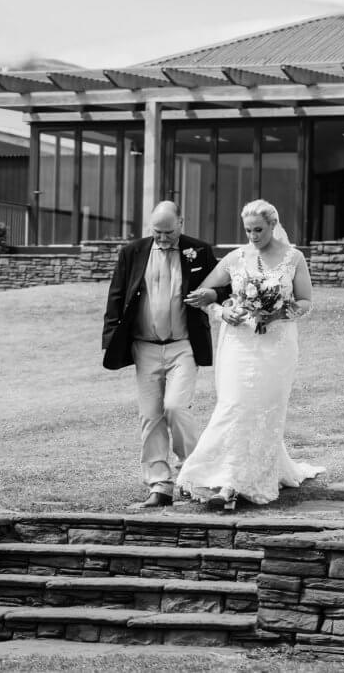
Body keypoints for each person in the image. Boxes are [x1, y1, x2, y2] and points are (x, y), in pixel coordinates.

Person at [177, 199, 324, 511]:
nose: (254, 235)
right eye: (248, 230)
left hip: (277, 345)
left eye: (259, 229)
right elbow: (205, 295)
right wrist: (221, 311)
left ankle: (245, 478)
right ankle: (223, 478)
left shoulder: (293, 258)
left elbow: (306, 300)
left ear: (273, 225)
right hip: (239, 343)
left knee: (264, 410)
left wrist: (281, 312)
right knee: (234, 405)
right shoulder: (236, 257)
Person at [101, 201, 225, 508]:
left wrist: (211, 295)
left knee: (175, 408)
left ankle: (196, 473)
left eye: (169, 232)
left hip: (183, 345)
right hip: (144, 346)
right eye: (157, 231)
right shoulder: (132, 252)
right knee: (151, 416)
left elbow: (226, 286)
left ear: (181, 223)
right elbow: (117, 296)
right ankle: (160, 484)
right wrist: (111, 340)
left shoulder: (200, 251)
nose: (163, 238)